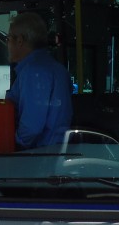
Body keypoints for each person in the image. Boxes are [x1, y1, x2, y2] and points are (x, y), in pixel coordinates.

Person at [5, 11, 72, 149]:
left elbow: (31, 128)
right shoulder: (58, 69)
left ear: (20, 40)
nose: (7, 44)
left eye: (8, 38)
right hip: (57, 152)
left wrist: (12, 146)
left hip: (38, 156)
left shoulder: (33, 72)